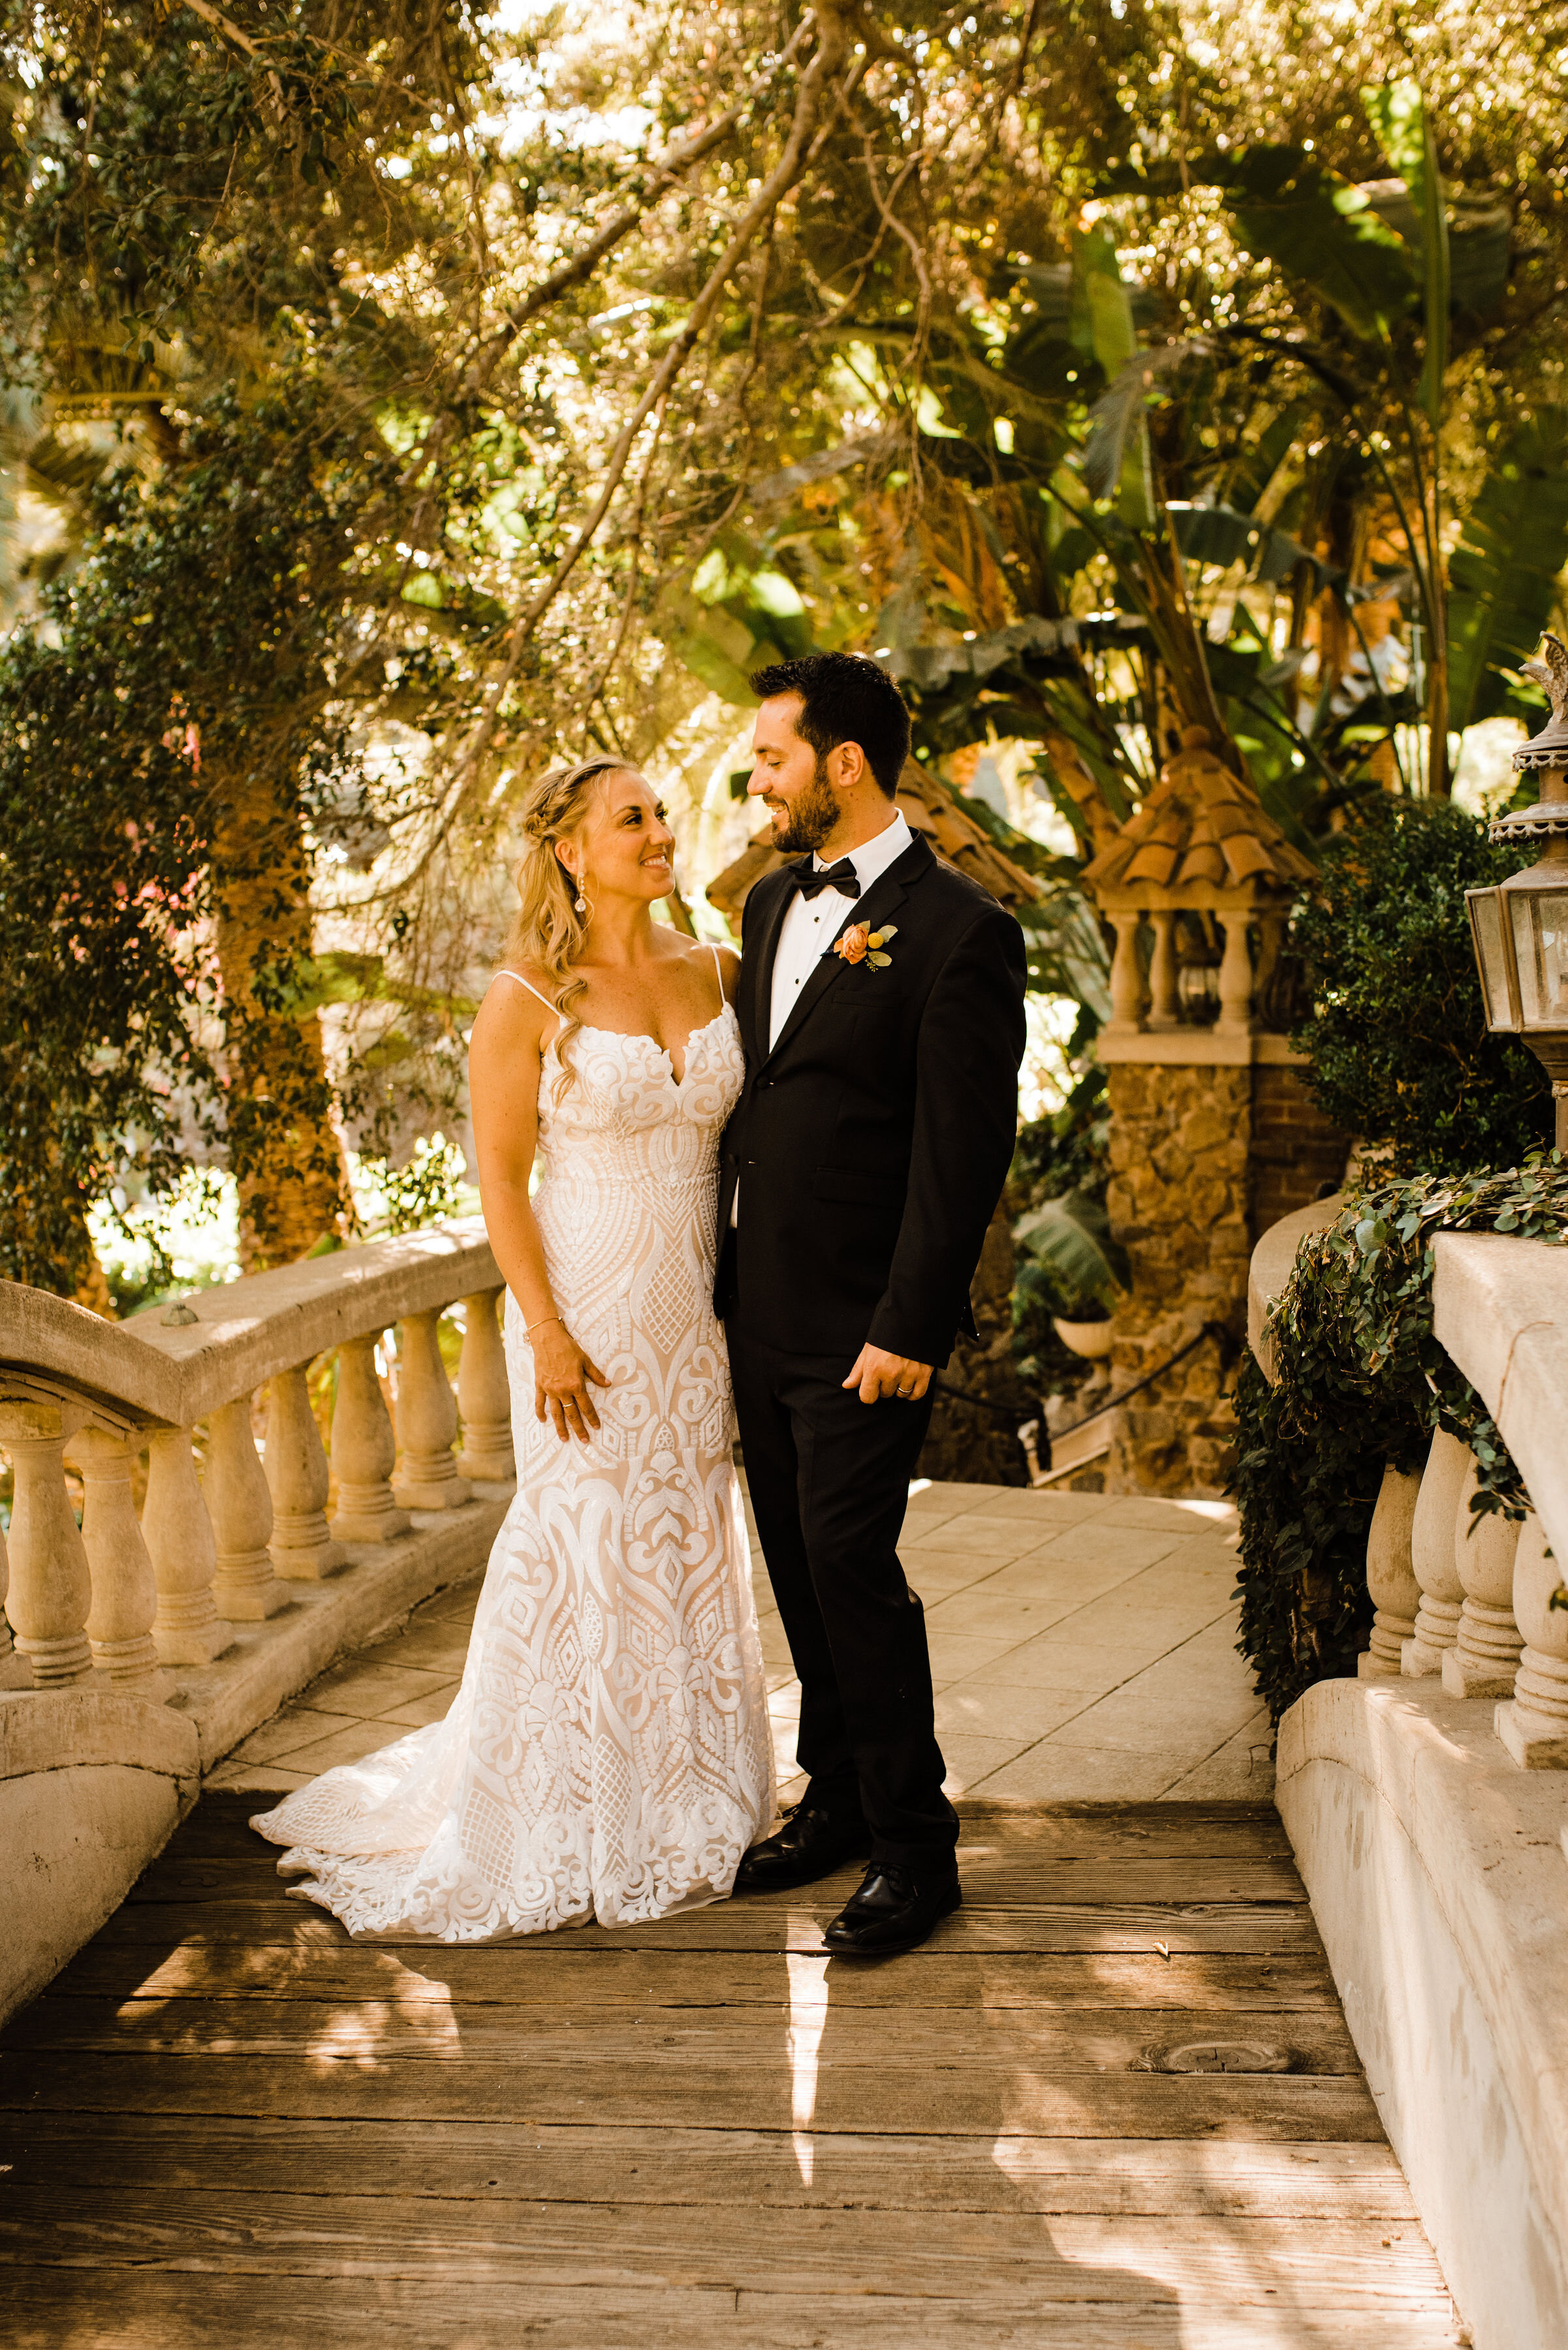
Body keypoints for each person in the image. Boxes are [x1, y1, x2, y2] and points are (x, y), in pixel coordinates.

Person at [251, 755, 774, 1938]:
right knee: (583, 1537)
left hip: (691, 1319)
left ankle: (691, 1794)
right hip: (583, 1312)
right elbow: (497, 1176)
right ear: (570, 852)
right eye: (628, 819)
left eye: (659, 816)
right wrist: (541, 1326)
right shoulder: (527, 996)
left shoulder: (719, 970)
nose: (656, 832)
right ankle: (568, 1811)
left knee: (684, 1527)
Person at [717, 651, 1026, 1957]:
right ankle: (834, 1796)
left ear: (842, 763)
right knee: (796, 1563)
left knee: (850, 1562)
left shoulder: (962, 931)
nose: (757, 778)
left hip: (864, 1328)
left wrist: (908, 1324)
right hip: (758, 1313)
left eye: (773, 757)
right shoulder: (764, 906)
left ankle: (915, 1846)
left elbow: (960, 1160)